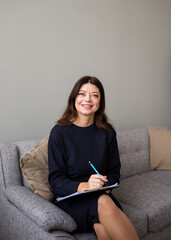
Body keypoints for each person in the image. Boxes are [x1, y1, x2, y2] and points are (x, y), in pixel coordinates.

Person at [48, 76, 140, 240]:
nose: (88, 99)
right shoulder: (59, 133)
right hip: (71, 199)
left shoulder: (107, 132)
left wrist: (104, 184)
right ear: (74, 99)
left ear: (100, 102)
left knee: (102, 226)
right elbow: (56, 181)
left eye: (95, 95)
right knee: (104, 202)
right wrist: (86, 185)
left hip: (99, 195)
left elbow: (114, 173)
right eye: (82, 94)